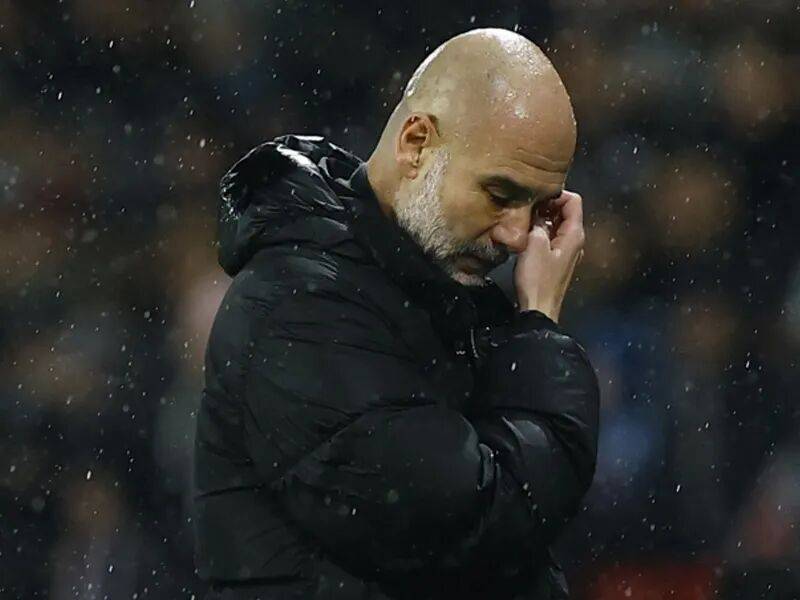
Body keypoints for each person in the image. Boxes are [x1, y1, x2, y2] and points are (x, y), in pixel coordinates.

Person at [194, 28, 599, 600]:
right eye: (500, 194)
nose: (516, 236)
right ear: (415, 143)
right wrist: (539, 324)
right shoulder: (300, 306)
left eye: (537, 207)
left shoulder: (438, 295)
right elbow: (484, 522)